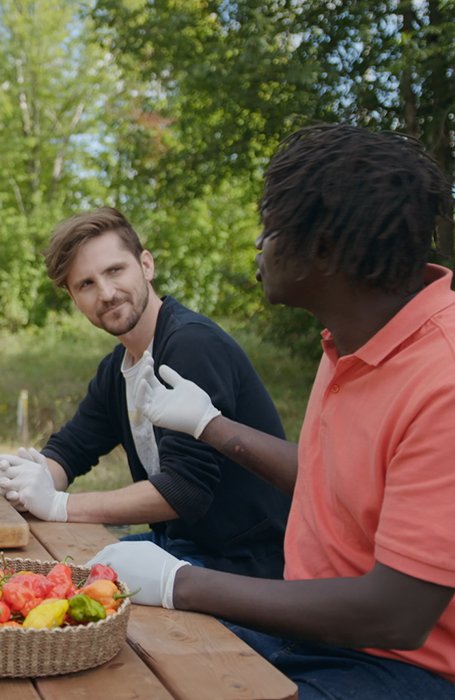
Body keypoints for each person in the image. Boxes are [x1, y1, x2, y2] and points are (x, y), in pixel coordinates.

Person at [106, 124, 455, 698]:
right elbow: (334, 482)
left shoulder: (440, 376)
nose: (259, 246)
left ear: (321, 248)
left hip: (406, 669)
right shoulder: (350, 337)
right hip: (319, 634)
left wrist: (181, 583)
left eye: (270, 229)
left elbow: (398, 613)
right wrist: (209, 426)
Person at [0, 206, 292, 578]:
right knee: (34, 575)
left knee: (78, 604)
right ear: (74, 299)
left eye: (115, 270)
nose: (107, 292)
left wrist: (60, 505)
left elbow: (184, 490)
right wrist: (28, 479)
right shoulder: (118, 369)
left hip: (247, 569)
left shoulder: (190, 344)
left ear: (146, 265)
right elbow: (69, 451)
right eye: (86, 284)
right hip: (180, 549)